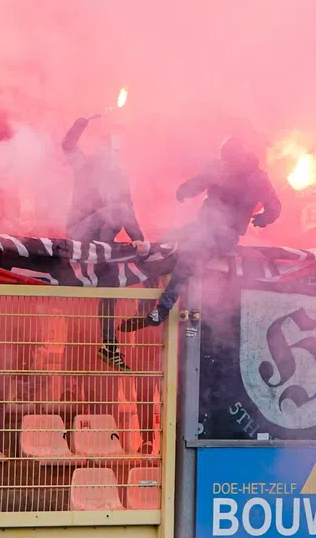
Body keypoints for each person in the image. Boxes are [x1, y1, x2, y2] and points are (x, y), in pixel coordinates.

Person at [122, 136, 280, 330]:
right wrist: (185, 190)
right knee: (164, 244)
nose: (227, 163)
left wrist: (265, 218)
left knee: (188, 255)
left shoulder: (255, 177)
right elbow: (199, 182)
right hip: (203, 225)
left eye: (228, 158)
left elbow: (274, 205)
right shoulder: (228, 169)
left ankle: (163, 307)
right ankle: (144, 308)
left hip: (225, 234)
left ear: (236, 155)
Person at [62, 113, 144, 369]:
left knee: (109, 283)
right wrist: (82, 122)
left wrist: (138, 239)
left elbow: (128, 208)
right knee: (118, 209)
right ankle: (112, 247)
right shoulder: (85, 166)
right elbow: (67, 146)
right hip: (79, 232)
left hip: (101, 241)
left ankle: (109, 345)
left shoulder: (119, 177)